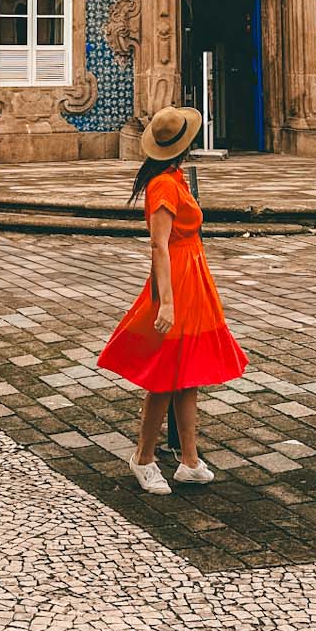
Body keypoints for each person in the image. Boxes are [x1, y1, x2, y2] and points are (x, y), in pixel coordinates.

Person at [96, 104, 249, 494]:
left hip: (193, 278)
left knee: (189, 372)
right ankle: (143, 459)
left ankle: (190, 461)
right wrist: (166, 302)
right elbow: (159, 246)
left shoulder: (173, 176)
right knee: (165, 375)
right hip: (175, 282)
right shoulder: (163, 185)